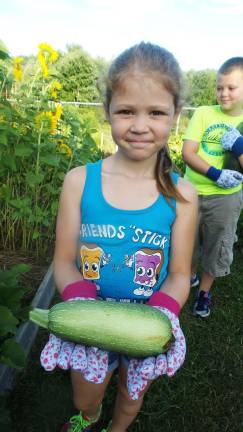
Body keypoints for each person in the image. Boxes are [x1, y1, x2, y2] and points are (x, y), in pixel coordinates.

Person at [40, 42, 198, 432]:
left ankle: (117, 428)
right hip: (89, 320)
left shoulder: (182, 194)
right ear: (107, 111)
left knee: (132, 393)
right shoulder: (79, 181)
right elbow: (63, 260)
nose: (140, 125)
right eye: (126, 111)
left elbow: (179, 273)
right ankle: (89, 416)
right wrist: (80, 304)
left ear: (176, 116)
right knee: (84, 394)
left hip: (147, 322)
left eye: (156, 113)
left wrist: (163, 310)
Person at [182, 57, 243, 318]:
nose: (223, 93)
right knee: (188, 241)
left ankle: (205, 292)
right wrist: (215, 173)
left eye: (231, 87)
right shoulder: (204, 113)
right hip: (191, 193)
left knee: (217, 244)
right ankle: (190, 275)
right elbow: (188, 152)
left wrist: (239, 146)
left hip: (226, 198)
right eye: (220, 87)